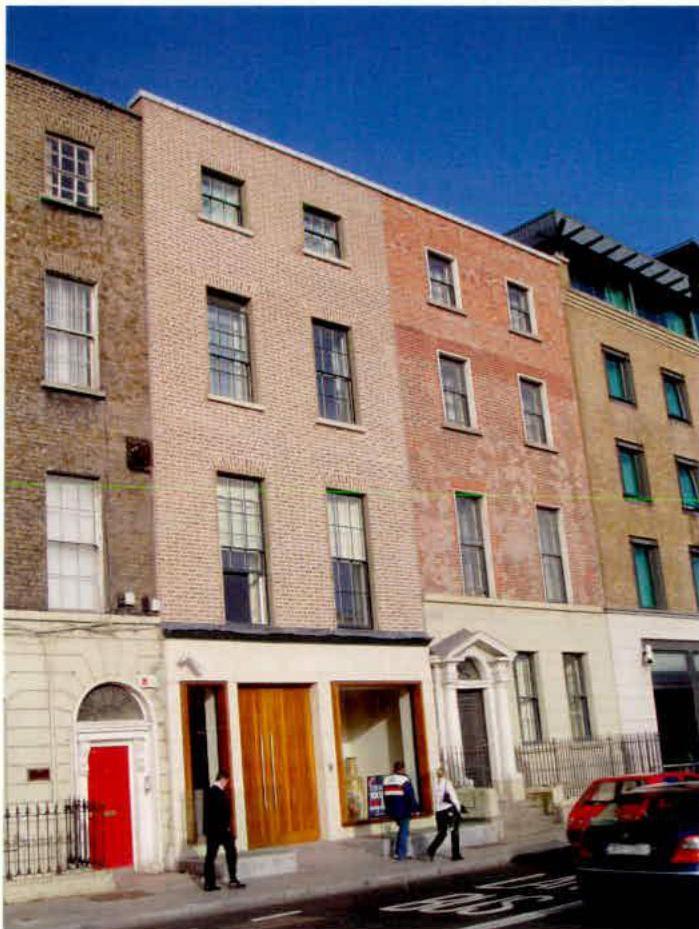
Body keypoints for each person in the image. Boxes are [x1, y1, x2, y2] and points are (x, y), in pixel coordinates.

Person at [203, 770, 246, 891]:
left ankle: (210, 883)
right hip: (220, 830)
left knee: (213, 855)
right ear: (222, 779)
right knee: (227, 853)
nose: (226, 784)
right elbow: (218, 812)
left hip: (215, 830)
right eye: (226, 781)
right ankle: (231, 879)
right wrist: (227, 827)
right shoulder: (216, 792)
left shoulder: (211, 792)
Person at [426, 765, 464, 862]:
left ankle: (431, 849)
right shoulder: (447, 783)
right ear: (445, 773)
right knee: (454, 831)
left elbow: (434, 799)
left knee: (442, 833)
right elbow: (453, 797)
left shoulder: (434, 784)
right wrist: (458, 809)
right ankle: (455, 854)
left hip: (439, 811)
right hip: (449, 810)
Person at [383, 760, 418, 861]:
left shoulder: (386, 779)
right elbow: (410, 795)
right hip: (403, 810)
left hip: (392, 810)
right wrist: (415, 809)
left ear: (394, 768)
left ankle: (400, 852)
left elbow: (385, 797)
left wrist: (388, 810)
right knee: (404, 831)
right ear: (402, 769)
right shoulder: (404, 779)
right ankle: (400, 854)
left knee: (402, 830)